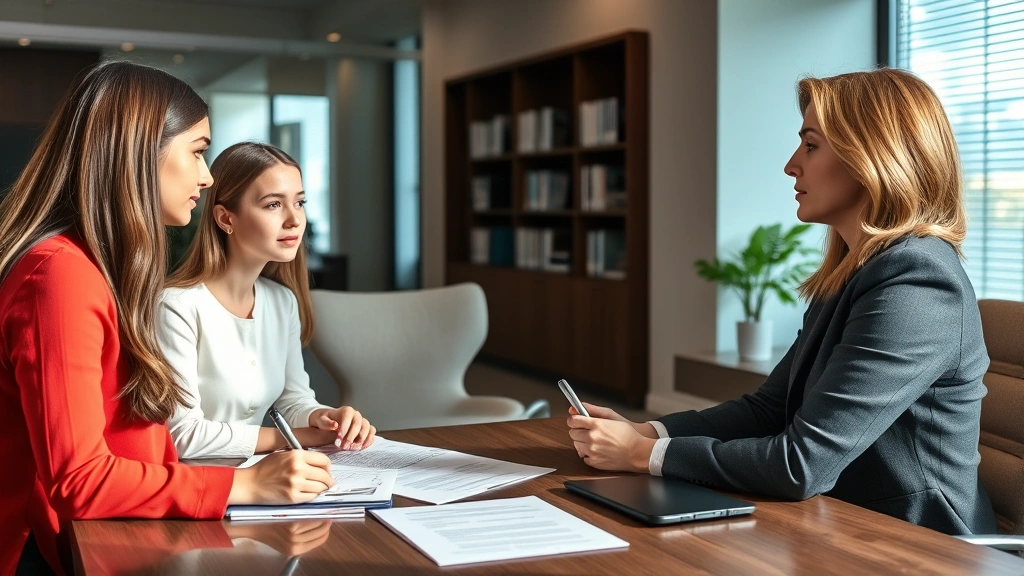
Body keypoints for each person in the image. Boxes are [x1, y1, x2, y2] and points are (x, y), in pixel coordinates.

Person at [566, 68, 997, 535]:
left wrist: (639, 455)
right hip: (841, 522)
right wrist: (650, 433)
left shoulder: (918, 280)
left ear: (872, 156)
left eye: (811, 145)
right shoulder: (855, 273)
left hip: (917, 545)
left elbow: (801, 464)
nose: (792, 165)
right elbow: (768, 410)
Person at [0, 62, 334, 576]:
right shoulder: (59, 276)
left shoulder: (96, 267)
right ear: (138, 153)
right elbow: (80, 480)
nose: (206, 175)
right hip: (63, 549)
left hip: (136, 524)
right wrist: (244, 485)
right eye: (198, 152)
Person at [159, 142, 376, 459]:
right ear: (225, 218)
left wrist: (327, 418)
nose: (294, 220)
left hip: (262, 478)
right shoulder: (177, 305)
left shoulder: (282, 301)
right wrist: (295, 438)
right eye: (273, 205)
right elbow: (183, 435)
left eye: (299, 203)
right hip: (196, 489)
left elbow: (294, 400)